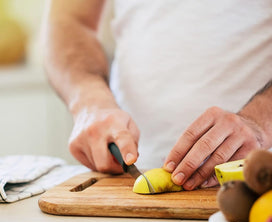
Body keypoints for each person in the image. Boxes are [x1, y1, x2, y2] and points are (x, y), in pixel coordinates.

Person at [42, 0, 272, 191]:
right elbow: (70, 21)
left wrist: (259, 123)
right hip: (127, 173)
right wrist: (90, 103)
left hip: (259, 177)